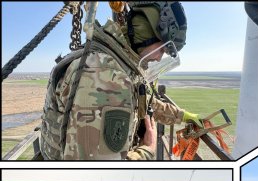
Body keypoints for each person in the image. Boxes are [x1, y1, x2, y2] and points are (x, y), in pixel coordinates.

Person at [40, 1, 201, 160]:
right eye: (163, 49)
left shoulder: (119, 60)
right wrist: (147, 150)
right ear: (146, 32)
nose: (159, 58)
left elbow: (144, 102)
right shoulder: (107, 76)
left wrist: (181, 115)